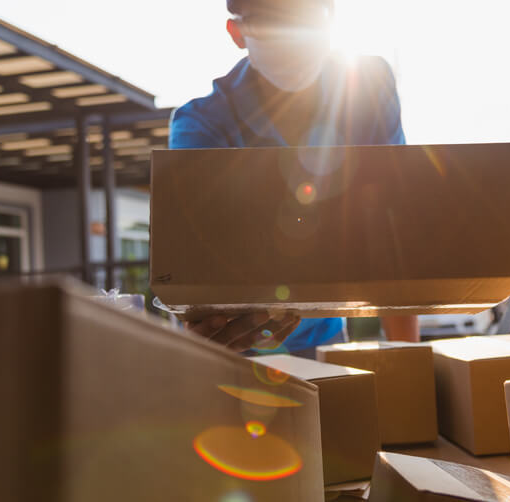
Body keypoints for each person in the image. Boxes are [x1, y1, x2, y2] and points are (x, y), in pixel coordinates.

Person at [169, 0, 419, 352]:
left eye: (304, 15)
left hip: (322, 341)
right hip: (239, 351)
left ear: (330, 19)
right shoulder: (203, 125)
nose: (291, 34)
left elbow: (395, 230)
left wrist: (408, 362)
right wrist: (210, 337)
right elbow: (190, 263)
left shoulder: (366, 86)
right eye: (270, 22)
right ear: (237, 33)